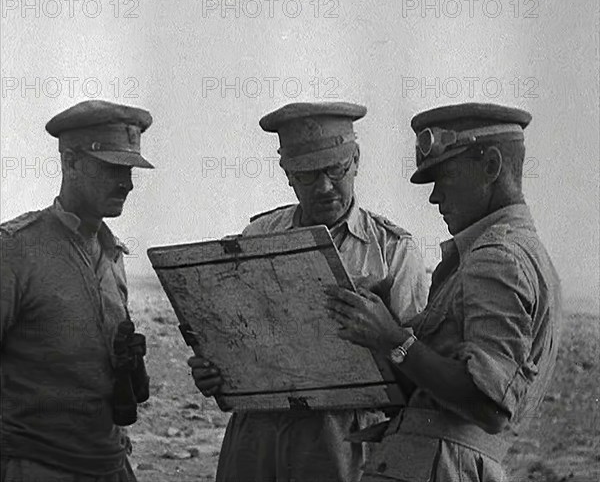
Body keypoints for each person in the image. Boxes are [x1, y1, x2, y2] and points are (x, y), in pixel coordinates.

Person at [188, 101, 428, 482]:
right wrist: (216, 372)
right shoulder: (257, 238)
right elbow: (234, 337)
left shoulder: (392, 251)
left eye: (336, 169)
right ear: (287, 174)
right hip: (256, 436)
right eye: (307, 174)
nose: (324, 187)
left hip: (341, 441)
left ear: (356, 159)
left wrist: (383, 336)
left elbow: (419, 374)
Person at [326, 102, 562, 481]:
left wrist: (393, 338)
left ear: (491, 167)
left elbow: (489, 403)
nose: (434, 197)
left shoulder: (498, 259)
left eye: (445, 175)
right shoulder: (504, 252)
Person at [1, 100, 154, 481]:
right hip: (37, 466)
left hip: (109, 463)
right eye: (112, 168)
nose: (128, 183)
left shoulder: (112, 253)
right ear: (70, 162)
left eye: (131, 170)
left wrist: (130, 368)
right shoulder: (15, 250)